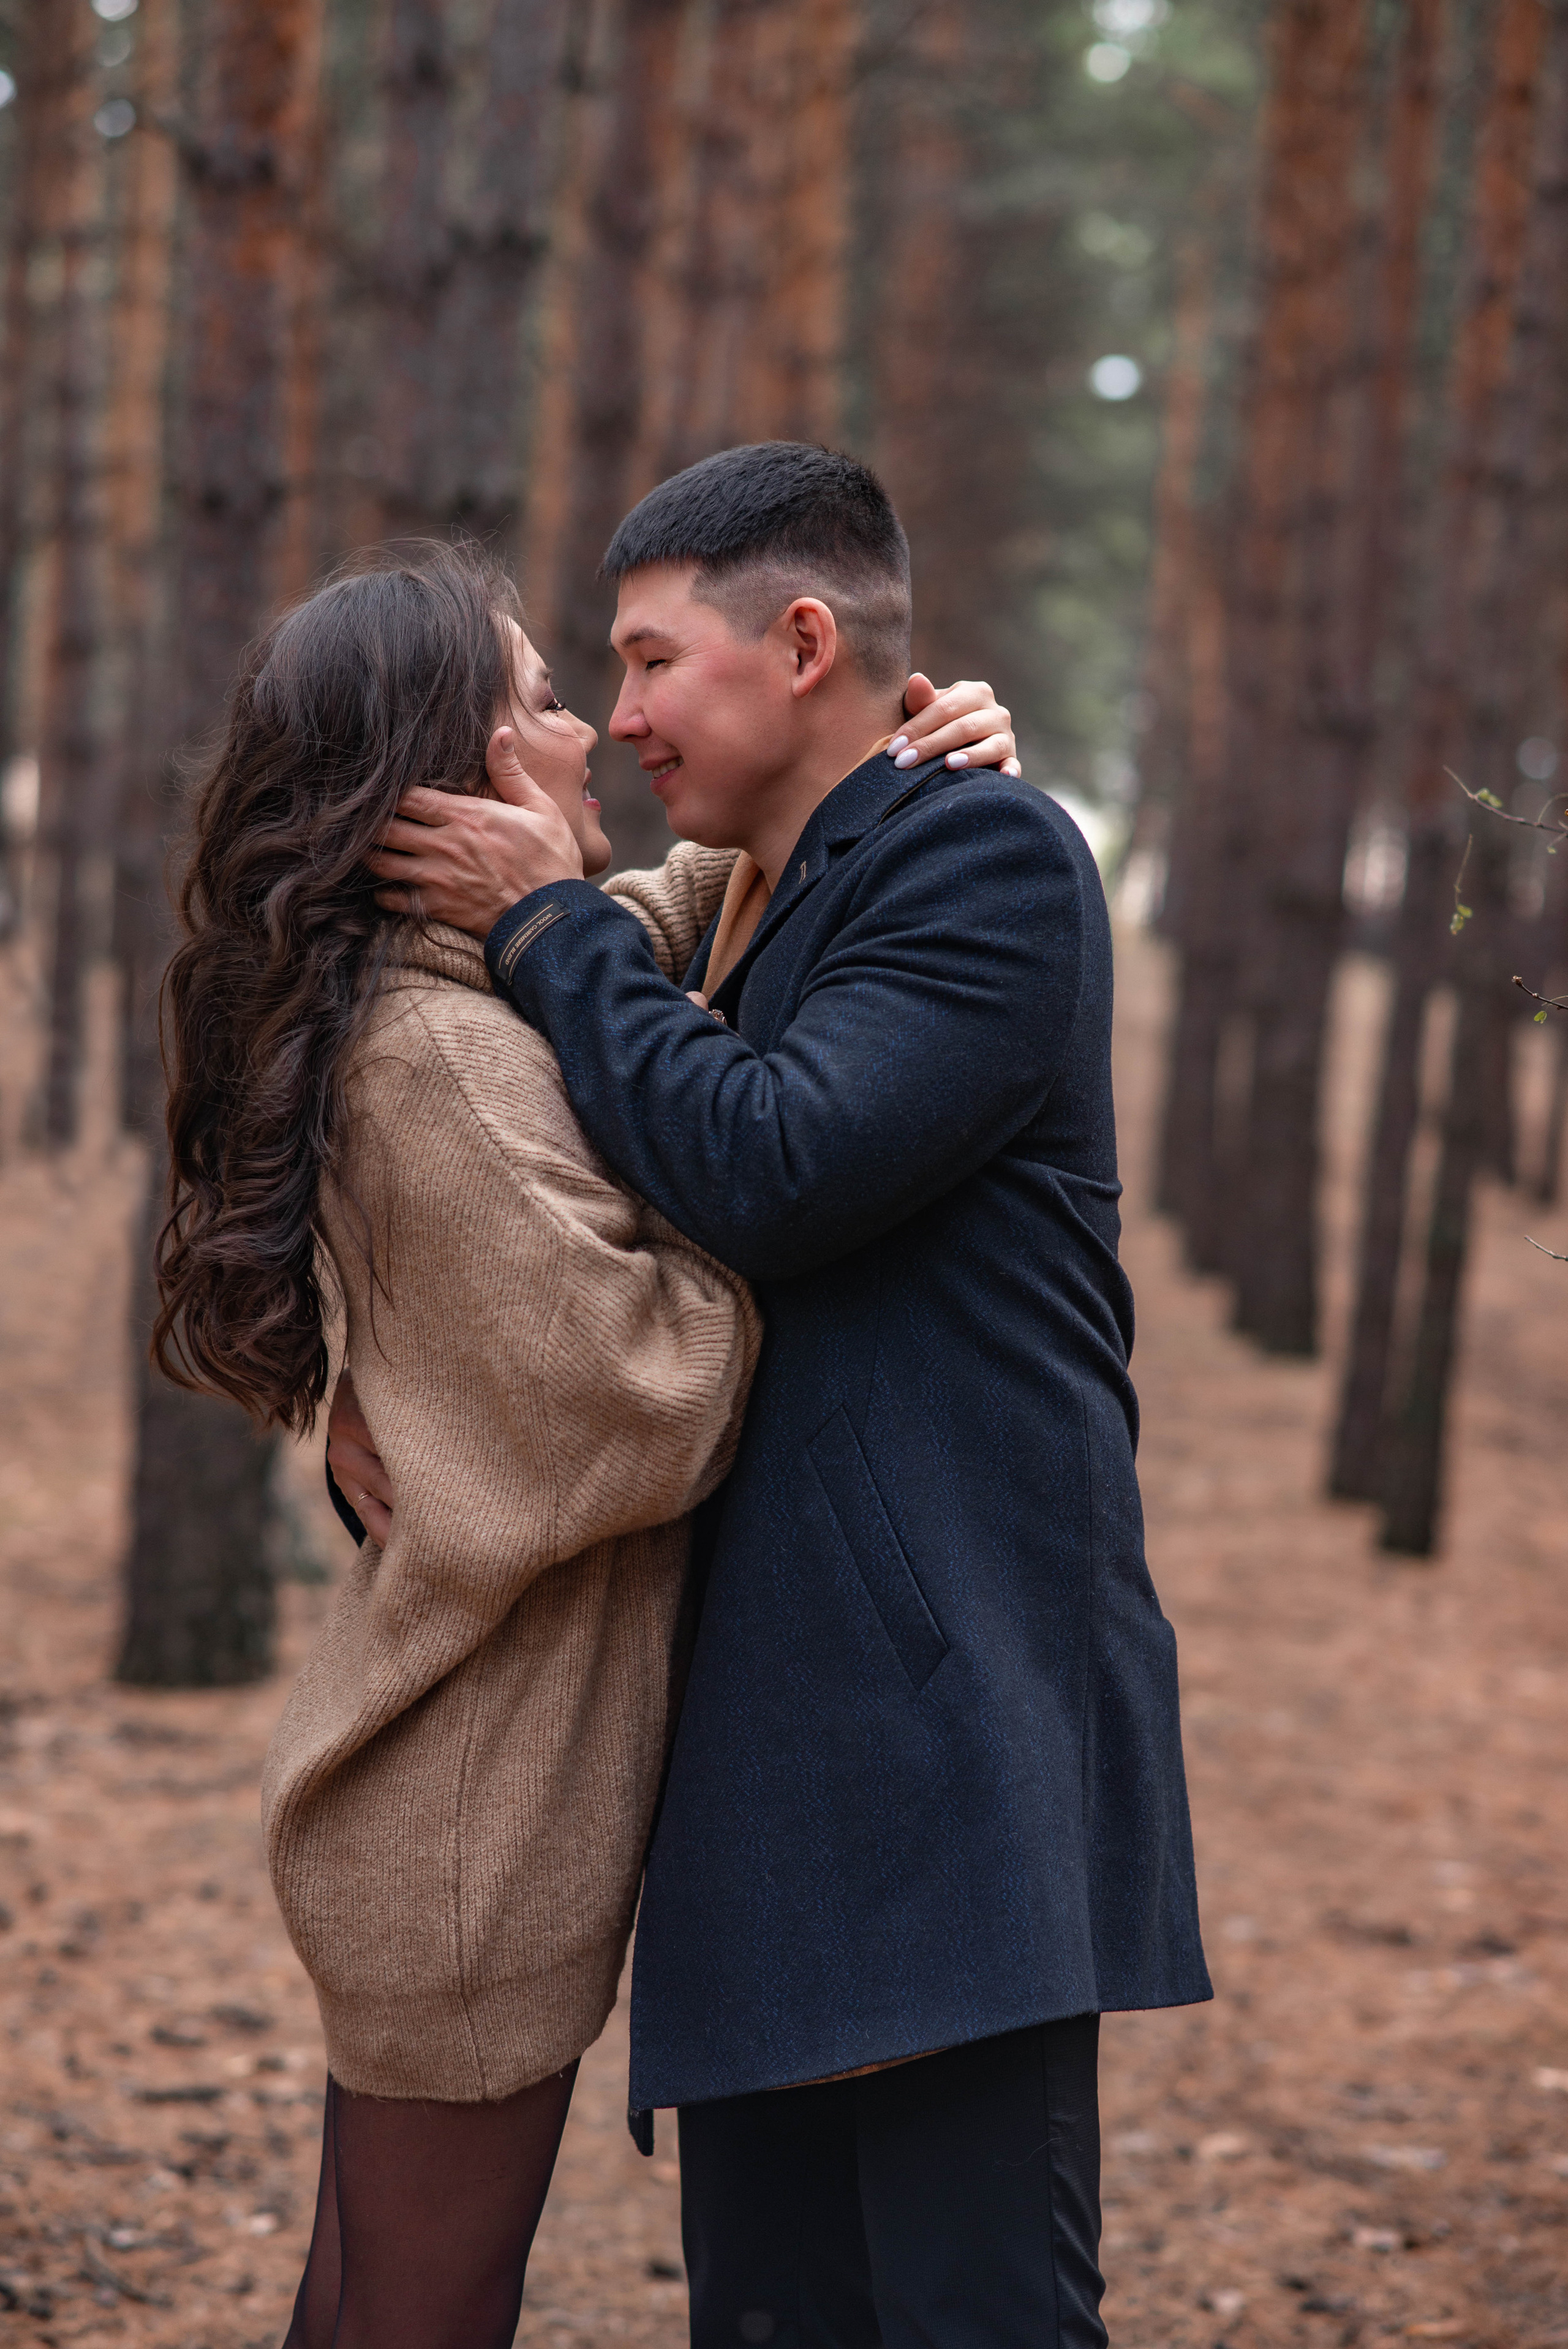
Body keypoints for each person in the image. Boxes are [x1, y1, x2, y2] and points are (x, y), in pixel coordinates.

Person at [355, 442, 1212, 2349]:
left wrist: (550, 919)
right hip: (761, 1755)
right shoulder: (752, 899)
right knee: (771, 2318)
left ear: (803, 639)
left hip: (943, 1734)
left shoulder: (983, 854)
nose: (626, 710)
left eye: (652, 659)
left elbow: (771, 1163)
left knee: (972, 2311)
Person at [151, 537, 1017, 2349]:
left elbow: (687, 908)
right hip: (470, 1812)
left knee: (368, 2289)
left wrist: (908, 743)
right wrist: (785, 1218)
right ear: (458, 789)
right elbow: (655, 1393)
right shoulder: (445, 1060)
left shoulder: (468, 989)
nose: (597, 733)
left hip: (465, 1782)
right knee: (424, 2309)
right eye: (545, 702)